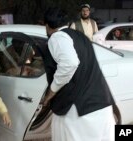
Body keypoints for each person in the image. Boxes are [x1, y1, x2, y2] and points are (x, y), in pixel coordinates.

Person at [42, 8, 115, 141]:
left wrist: (50, 93)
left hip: (78, 113)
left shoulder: (57, 37)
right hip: (101, 105)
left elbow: (70, 63)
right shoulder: (81, 36)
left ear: (47, 26)